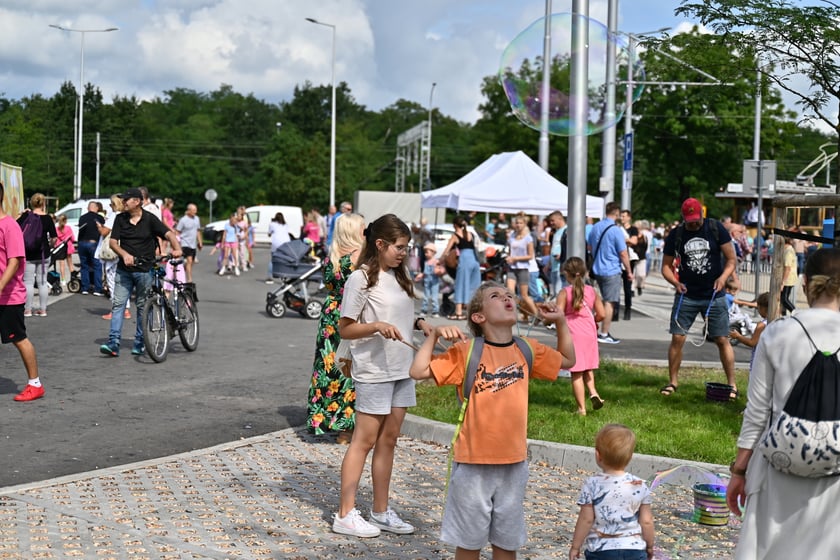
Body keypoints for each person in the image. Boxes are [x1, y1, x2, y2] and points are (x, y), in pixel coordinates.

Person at [409, 281, 575, 559]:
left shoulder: (527, 349)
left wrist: (560, 321)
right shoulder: (467, 351)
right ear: (479, 317)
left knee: (506, 545)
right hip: (473, 465)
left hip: (514, 464)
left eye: (509, 295)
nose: (507, 298)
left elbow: (569, 360)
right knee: (469, 545)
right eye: (496, 296)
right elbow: (418, 371)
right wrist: (433, 334)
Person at [727, 248, 840, 559]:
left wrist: (739, 470)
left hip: (778, 465)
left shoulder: (777, 332)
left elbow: (757, 412)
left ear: (804, 284)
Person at [332, 214, 428, 538]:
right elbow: (345, 328)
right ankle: (345, 513)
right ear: (380, 244)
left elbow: (399, 315)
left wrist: (420, 324)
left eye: (407, 247)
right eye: (399, 247)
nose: (404, 253)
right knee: (364, 441)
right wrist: (375, 327)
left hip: (403, 368)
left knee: (389, 440)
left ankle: (381, 511)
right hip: (374, 371)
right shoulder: (360, 279)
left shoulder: (400, 277)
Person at [660, 198, 737, 398]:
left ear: (702, 214)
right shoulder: (677, 234)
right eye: (690, 220)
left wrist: (723, 278)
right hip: (687, 295)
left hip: (714, 295)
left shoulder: (715, 227)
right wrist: (676, 283)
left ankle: (732, 385)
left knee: (721, 339)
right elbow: (665, 267)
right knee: (677, 337)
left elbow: (731, 259)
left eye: (696, 220)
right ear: (683, 217)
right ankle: (673, 382)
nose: (693, 224)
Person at [99, 188, 182, 358]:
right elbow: (114, 242)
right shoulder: (120, 219)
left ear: (137, 201)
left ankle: (140, 342)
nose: (123, 202)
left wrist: (177, 248)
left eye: (126, 200)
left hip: (145, 270)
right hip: (124, 270)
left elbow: (169, 234)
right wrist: (125, 254)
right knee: (118, 304)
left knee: (143, 306)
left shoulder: (150, 219)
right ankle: (113, 342)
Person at [307, 213, 366, 443]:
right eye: (363, 228)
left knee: (329, 365)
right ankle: (348, 427)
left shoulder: (332, 255)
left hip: (330, 313)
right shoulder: (358, 256)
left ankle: (327, 420)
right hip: (350, 314)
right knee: (349, 367)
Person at [569, 424, 655, 560]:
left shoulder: (591, 484)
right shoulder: (639, 485)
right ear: (630, 456)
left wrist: (575, 546)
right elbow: (646, 521)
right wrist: (650, 545)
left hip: (601, 550)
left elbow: (586, 519)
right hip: (634, 550)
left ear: (598, 455)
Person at [0, 183, 46, 401]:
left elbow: (14, 261)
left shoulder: (9, 226)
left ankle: (35, 384)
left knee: (18, 338)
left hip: (9, 297)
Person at [557, 257, 606, 416]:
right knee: (588, 367)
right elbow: (602, 314)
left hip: (572, 333)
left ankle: (581, 409)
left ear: (566, 273)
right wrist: (594, 320)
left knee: (576, 372)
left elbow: (558, 314)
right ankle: (593, 392)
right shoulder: (592, 291)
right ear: (584, 272)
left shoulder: (565, 292)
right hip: (589, 331)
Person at [588, 202, 633, 345]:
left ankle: (592, 330)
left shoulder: (595, 227)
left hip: (597, 269)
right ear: (617, 213)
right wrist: (629, 271)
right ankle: (604, 333)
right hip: (611, 270)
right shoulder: (616, 230)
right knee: (609, 302)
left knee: (598, 301)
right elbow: (623, 253)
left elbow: (589, 246)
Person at [18, 193, 58, 316]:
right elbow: (54, 238)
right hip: (43, 253)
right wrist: (50, 245)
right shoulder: (47, 218)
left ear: (31, 203)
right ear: (43, 203)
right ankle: (43, 309)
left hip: (28, 253)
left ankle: (28, 309)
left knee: (28, 282)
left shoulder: (26, 216)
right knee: (42, 282)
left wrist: (21, 214)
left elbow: (15, 226)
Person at [99, 195, 132, 321]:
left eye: (111, 204)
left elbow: (104, 232)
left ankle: (116, 309)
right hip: (123, 249)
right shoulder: (126, 216)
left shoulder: (115, 216)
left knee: (112, 281)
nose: (110, 206)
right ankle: (126, 309)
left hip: (112, 253)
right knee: (122, 281)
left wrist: (99, 226)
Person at [443, 215, 481, 321]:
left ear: (455, 225)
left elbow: (447, 251)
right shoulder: (471, 234)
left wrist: (440, 260)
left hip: (464, 261)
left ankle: (459, 312)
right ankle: (472, 312)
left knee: (460, 285)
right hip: (475, 261)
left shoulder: (455, 236)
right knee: (473, 286)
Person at [506, 214, 539, 321]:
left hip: (523, 268)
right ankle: (515, 314)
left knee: (524, 295)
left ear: (524, 224)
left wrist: (515, 259)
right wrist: (508, 257)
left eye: (520, 223)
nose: (518, 225)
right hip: (512, 267)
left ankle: (537, 314)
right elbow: (510, 250)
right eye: (517, 223)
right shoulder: (512, 236)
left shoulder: (528, 238)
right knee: (510, 292)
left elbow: (530, 255)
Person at [77, 200, 106, 296]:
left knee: (84, 266)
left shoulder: (82, 217)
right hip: (93, 243)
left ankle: (85, 288)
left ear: (88, 208)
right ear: (97, 208)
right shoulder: (100, 218)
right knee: (97, 266)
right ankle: (97, 289)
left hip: (82, 243)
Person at [619, 209, 640, 321]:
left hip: (630, 259)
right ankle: (615, 312)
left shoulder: (633, 229)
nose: (622, 218)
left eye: (623, 216)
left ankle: (628, 309)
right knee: (616, 287)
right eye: (621, 216)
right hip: (619, 260)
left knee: (627, 287)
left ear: (629, 217)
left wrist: (624, 240)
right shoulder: (618, 229)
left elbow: (634, 241)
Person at [175, 203, 202, 283]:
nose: (195, 212)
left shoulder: (197, 219)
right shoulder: (183, 220)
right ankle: (189, 279)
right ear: (189, 210)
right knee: (189, 261)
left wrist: (200, 242)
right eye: (193, 210)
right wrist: (177, 243)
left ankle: (180, 271)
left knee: (192, 262)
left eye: (196, 210)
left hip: (193, 244)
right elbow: (177, 231)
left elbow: (198, 231)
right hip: (185, 243)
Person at [415, 242, 443, 317]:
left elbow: (440, 270)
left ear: (433, 252)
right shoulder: (426, 262)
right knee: (425, 296)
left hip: (434, 282)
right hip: (427, 281)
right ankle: (424, 310)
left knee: (434, 297)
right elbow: (425, 272)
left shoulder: (436, 261)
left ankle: (435, 311)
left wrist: (439, 270)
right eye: (425, 252)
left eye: (427, 252)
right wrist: (420, 276)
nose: (425, 254)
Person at [266, 212, 291, 284]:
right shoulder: (285, 225)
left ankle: (270, 278)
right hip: (286, 243)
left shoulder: (272, 224)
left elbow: (269, 234)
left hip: (276, 243)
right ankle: (284, 277)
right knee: (284, 260)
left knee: (273, 260)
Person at [547, 211, 567, 296]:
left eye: (553, 220)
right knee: (555, 292)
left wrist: (562, 255)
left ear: (560, 219)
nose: (551, 223)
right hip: (554, 267)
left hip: (561, 266)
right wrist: (549, 263)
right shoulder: (556, 232)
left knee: (559, 292)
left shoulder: (566, 231)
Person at [53, 214, 75, 286]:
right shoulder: (68, 228)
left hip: (60, 248)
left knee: (61, 265)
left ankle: (63, 280)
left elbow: (55, 239)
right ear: (66, 220)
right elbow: (73, 238)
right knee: (70, 264)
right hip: (68, 247)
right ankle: (73, 278)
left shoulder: (57, 229)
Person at [780, 234, 797, 315]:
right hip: (787, 277)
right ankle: (783, 315)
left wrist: (783, 282)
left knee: (784, 299)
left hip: (788, 278)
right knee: (782, 299)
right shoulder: (786, 250)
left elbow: (788, 268)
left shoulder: (788, 251)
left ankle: (795, 312)